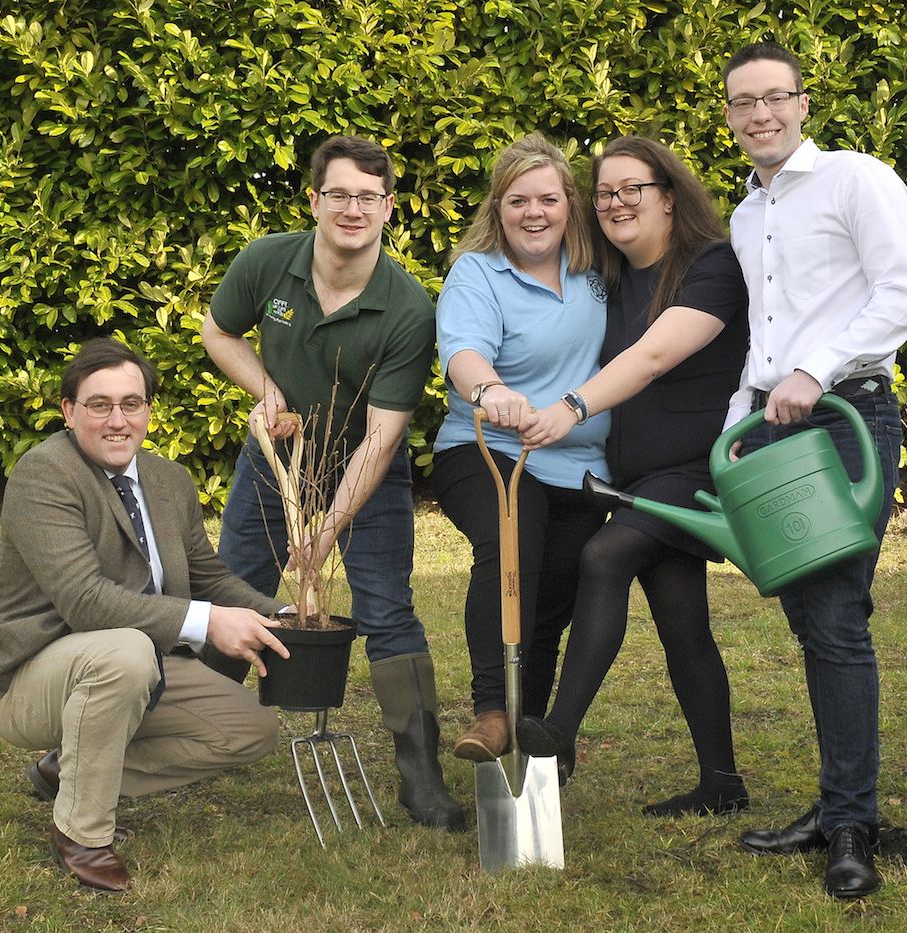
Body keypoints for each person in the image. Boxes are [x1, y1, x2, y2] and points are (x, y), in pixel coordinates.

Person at [0, 338, 291, 892]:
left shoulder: (168, 480)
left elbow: (209, 576)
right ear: (68, 412)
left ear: (148, 411)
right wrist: (208, 623)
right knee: (128, 650)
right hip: (28, 677)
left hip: (133, 668)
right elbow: (87, 601)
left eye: (132, 404)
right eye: (99, 405)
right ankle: (82, 834)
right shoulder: (44, 475)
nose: (118, 420)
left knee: (248, 731)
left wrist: (281, 611)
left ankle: (66, 772)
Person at [201, 136, 464, 832]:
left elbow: (381, 438)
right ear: (314, 200)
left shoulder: (407, 307)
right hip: (275, 459)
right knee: (228, 589)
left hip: (366, 469)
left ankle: (420, 774)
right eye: (340, 194)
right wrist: (269, 392)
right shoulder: (266, 260)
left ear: (389, 208)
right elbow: (218, 332)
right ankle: (178, 726)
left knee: (385, 608)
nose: (354, 208)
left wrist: (328, 525)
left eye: (369, 197)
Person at [720, 42, 907, 898]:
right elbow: (766, 341)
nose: (760, 114)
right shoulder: (744, 216)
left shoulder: (857, 179)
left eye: (775, 98)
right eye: (742, 103)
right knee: (810, 618)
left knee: (837, 616)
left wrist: (816, 371)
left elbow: (898, 293)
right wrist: (737, 427)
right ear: (729, 118)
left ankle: (851, 825)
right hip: (771, 428)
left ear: (804, 103)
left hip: (846, 419)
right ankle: (839, 801)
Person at [516, 137, 751, 814]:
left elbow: (652, 357)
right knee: (682, 622)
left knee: (606, 553)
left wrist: (570, 408)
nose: (616, 203)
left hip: (699, 469)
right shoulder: (611, 280)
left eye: (632, 189)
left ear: (669, 196)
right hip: (640, 478)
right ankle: (722, 784)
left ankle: (557, 735)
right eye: (606, 192)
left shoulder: (712, 266)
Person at [430, 132, 610, 761]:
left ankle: (529, 727)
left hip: (582, 467)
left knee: (556, 595)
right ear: (497, 209)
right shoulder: (478, 271)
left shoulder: (598, 270)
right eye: (517, 201)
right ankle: (489, 714)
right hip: (488, 452)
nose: (534, 213)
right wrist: (490, 391)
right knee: (512, 540)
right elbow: (463, 349)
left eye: (548, 199)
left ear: (570, 206)